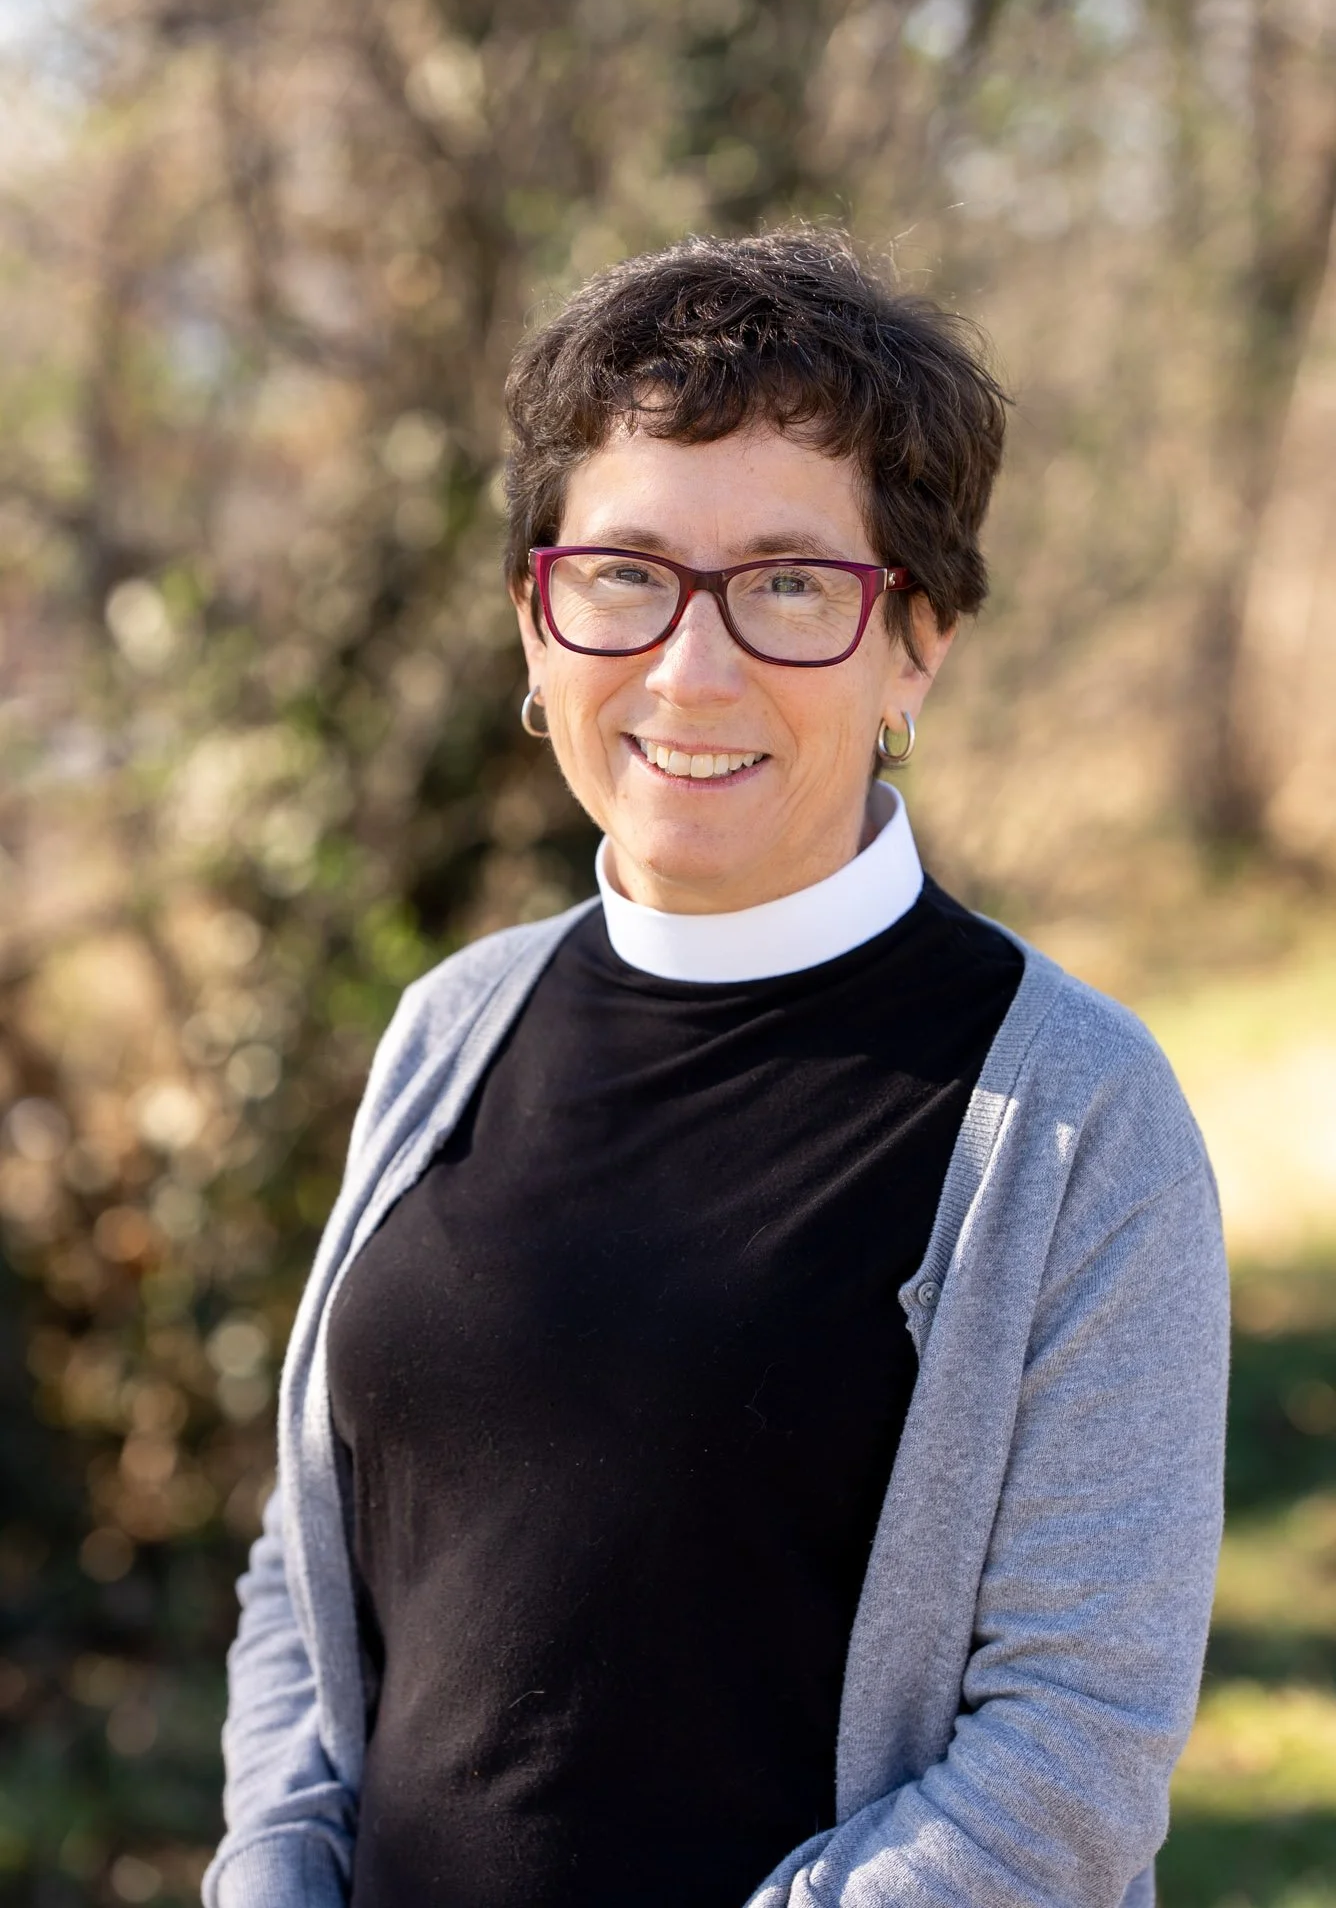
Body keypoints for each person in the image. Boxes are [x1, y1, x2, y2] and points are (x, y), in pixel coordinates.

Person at [203, 229, 1228, 1908]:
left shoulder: (1072, 1120)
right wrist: (269, 1874)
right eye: (625, 573)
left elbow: (1072, 1757)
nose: (691, 668)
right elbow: (305, 1579)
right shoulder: (452, 1028)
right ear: (536, 620)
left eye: (790, 585)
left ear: (917, 641)